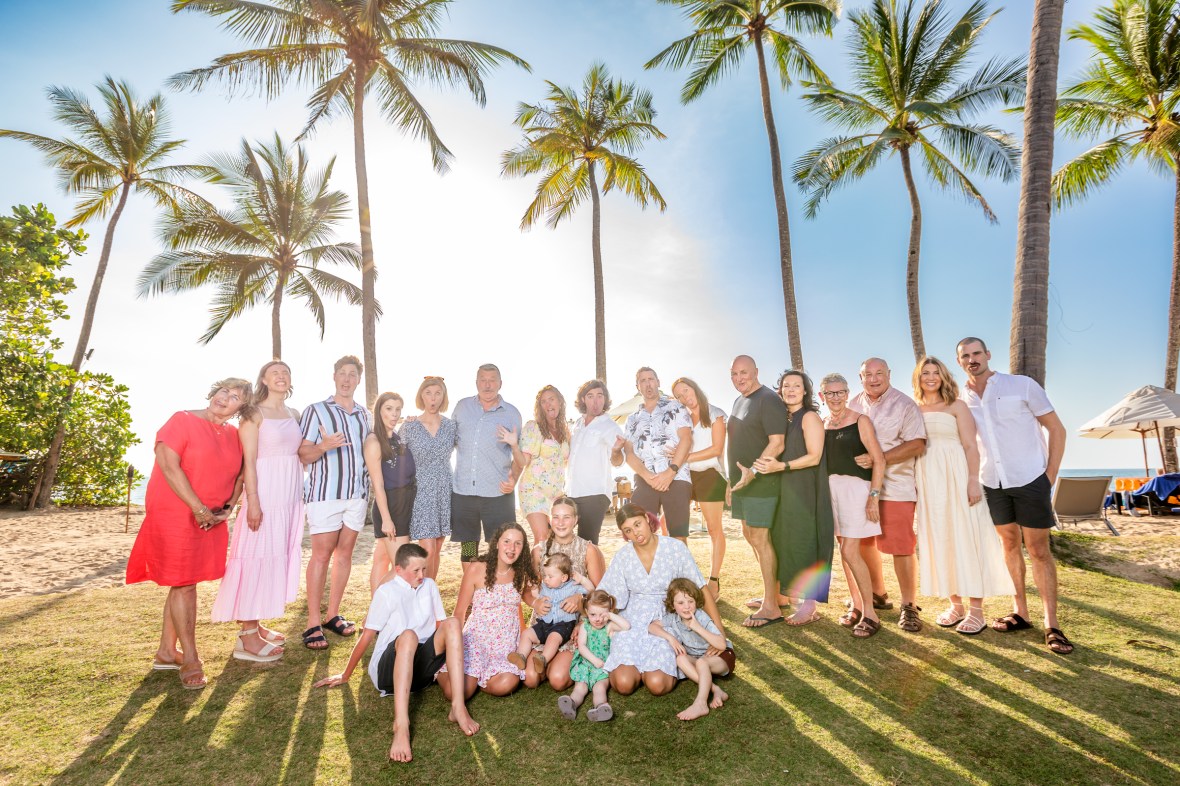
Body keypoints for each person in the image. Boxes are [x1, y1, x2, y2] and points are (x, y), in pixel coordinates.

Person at [126, 378, 251, 690]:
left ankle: (167, 652)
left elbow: (241, 474)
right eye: (224, 390)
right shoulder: (181, 420)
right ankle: (191, 658)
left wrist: (228, 507)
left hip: (209, 518)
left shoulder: (235, 435)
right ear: (214, 391)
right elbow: (169, 466)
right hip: (176, 513)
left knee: (185, 582)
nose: (226, 397)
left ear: (240, 409)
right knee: (183, 584)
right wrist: (198, 508)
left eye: (235, 397)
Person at [313, 543, 480, 764]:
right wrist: (345, 675)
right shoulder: (386, 592)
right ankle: (401, 726)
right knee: (408, 635)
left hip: (420, 671)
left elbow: (442, 627)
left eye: (424, 569)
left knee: (451, 623)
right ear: (399, 570)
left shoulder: (429, 586)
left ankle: (458, 707)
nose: (422, 575)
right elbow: (367, 637)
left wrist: (445, 665)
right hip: (389, 671)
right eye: (416, 571)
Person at [956, 337, 1071, 654]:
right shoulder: (961, 398)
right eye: (965, 356)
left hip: (1030, 478)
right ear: (959, 362)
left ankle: (1052, 625)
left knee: (1038, 550)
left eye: (977, 353)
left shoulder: (1021, 385)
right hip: (992, 482)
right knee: (1008, 544)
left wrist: (1049, 476)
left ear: (988, 355)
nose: (972, 359)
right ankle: (1021, 611)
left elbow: (1056, 429)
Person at [913, 357, 1015, 635]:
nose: (931, 377)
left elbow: (971, 446)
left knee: (967, 538)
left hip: (957, 477)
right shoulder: (914, 408)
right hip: (928, 480)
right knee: (941, 538)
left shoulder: (958, 406)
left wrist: (972, 481)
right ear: (918, 378)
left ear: (944, 376)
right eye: (925, 373)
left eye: (936, 372)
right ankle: (955, 605)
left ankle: (977, 611)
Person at [212, 361, 304, 661]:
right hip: (264, 495)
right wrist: (252, 501)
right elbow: (248, 462)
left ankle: (256, 625)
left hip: (288, 497)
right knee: (255, 556)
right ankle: (247, 638)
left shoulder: (294, 414)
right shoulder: (253, 414)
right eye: (275, 371)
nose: (281, 375)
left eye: (286, 371)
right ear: (264, 378)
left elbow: (299, 455)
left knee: (273, 555)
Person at [597, 504, 729, 697]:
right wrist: (585, 619)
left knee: (657, 684)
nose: (636, 533)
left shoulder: (675, 548)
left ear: (647, 519)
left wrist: (719, 631)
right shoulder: (623, 556)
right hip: (632, 621)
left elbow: (701, 587)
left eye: (638, 524)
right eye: (628, 530)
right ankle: (636, 669)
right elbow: (606, 594)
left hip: (666, 621)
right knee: (623, 684)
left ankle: (651, 670)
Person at [736, 370, 835, 625]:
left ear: (805, 391)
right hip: (784, 488)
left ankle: (810, 606)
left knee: (806, 542)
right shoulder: (784, 419)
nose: (790, 390)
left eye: (796, 386)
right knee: (783, 542)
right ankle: (780, 596)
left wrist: (782, 467)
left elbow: (814, 456)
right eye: (786, 385)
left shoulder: (809, 417)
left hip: (805, 488)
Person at [849, 357, 928, 633]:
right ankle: (878, 595)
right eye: (867, 374)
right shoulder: (852, 404)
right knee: (863, 544)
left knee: (901, 547)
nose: (873, 378)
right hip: (860, 487)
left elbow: (917, 443)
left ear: (889, 374)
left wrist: (878, 459)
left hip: (896, 487)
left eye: (879, 373)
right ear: (860, 378)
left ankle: (909, 605)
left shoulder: (905, 404)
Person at [298, 355, 371, 650]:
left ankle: (332, 615)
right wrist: (323, 446)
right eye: (342, 373)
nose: (347, 379)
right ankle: (312, 622)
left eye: (352, 374)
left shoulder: (364, 414)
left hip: (357, 495)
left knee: (344, 555)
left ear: (358, 379)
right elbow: (303, 455)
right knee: (321, 556)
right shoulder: (316, 411)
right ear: (334, 376)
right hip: (326, 495)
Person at [819, 373, 886, 639]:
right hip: (829, 491)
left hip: (856, 491)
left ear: (848, 393)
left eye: (840, 392)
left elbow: (879, 460)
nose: (836, 397)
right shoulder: (822, 424)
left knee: (850, 549)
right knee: (843, 549)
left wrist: (874, 496)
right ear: (823, 396)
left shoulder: (861, 421)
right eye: (830, 393)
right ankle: (856, 604)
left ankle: (871, 612)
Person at [442, 523, 539, 697]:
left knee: (506, 684)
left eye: (518, 543)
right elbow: (459, 612)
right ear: (496, 543)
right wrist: (453, 646)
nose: (512, 548)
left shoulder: (521, 570)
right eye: (507, 541)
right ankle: (444, 670)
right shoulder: (477, 568)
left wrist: (538, 604)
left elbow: (526, 597)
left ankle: (479, 676)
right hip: (478, 639)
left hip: (507, 642)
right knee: (458, 692)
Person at [726, 355, 789, 627]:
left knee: (761, 538)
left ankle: (772, 607)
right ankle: (772, 593)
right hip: (742, 483)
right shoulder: (739, 401)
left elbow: (777, 443)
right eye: (734, 374)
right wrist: (732, 481)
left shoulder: (769, 399)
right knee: (749, 534)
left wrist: (752, 471)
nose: (740, 378)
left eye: (744, 372)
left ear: (756, 372)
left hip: (761, 481)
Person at [525, 496, 607, 690]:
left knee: (558, 680)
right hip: (544, 623)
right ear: (550, 519)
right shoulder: (539, 550)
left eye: (566, 517)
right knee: (530, 679)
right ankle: (547, 659)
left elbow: (601, 595)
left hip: (572, 625)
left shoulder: (588, 549)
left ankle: (558, 662)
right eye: (556, 517)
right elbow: (527, 591)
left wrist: (581, 599)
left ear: (576, 520)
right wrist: (534, 603)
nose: (560, 522)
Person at [452, 364, 521, 565]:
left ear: (500, 383)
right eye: (483, 379)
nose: (487, 384)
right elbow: (445, 436)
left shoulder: (511, 413)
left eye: (492, 379)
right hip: (464, 492)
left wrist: (514, 479)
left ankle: (499, 592)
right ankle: (472, 590)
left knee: (501, 545)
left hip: (498, 494)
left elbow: (520, 454)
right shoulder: (462, 407)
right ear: (476, 383)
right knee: (468, 547)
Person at [620, 367, 693, 541]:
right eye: (642, 381)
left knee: (678, 537)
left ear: (658, 382)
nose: (647, 384)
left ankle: (679, 569)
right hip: (645, 480)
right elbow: (629, 453)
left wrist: (670, 472)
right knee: (640, 535)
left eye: (651, 379)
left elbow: (686, 439)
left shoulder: (676, 407)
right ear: (638, 387)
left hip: (677, 477)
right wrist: (649, 477)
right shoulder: (632, 419)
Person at [671, 377, 727, 600]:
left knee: (714, 529)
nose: (685, 397)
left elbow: (716, 449)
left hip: (709, 475)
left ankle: (713, 581)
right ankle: (685, 577)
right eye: (679, 396)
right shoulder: (681, 418)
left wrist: (684, 457)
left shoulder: (715, 413)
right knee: (672, 525)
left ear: (695, 388)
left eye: (686, 390)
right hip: (684, 475)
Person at [648, 578, 731, 721]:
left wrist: (697, 627)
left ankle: (700, 703)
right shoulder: (673, 618)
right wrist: (670, 638)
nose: (687, 607)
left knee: (701, 663)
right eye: (680, 603)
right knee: (680, 658)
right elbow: (652, 626)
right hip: (700, 660)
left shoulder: (700, 616)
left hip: (721, 657)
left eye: (690, 601)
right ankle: (715, 689)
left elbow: (722, 644)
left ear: (695, 602)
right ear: (673, 605)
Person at [400, 376, 457, 580]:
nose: (433, 398)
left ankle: (430, 591)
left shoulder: (451, 426)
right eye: (428, 393)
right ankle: (423, 592)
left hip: (445, 487)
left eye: (437, 393)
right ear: (421, 396)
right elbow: (395, 459)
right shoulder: (409, 426)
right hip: (421, 490)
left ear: (443, 397)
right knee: (428, 549)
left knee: (438, 546)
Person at [503, 385, 571, 544]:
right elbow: (523, 462)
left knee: (555, 541)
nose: (548, 404)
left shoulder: (565, 431)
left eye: (551, 399)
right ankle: (537, 569)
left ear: (560, 402)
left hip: (556, 495)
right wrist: (514, 446)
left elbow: (565, 464)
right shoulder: (534, 427)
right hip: (534, 491)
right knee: (542, 538)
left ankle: (541, 569)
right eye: (543, 402)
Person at [363, 392, 415, 593]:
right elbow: (378, 485)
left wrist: (411, 421)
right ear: (379, 411)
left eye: (398, 409)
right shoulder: (374, 441)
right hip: (390, 507)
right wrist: (386, 519)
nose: (394, 414)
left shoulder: (397, 436)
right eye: (389, 409)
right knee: (403, 568)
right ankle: (375, 614)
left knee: (382, 559)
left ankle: (375, 615)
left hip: (404, 503)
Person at [508, 552, 592, 674]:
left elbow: (591, 590)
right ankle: (521, 656)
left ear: (563, 577)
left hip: (563, 625)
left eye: (550, 576)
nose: (546, 579)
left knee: (553, 638)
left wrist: (583, 579)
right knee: (526, 634)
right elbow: (537, 596)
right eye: (545, 575)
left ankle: (543, 659)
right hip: (544, 623)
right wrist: (534, 588)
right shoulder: (545, 587)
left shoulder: (573, 586)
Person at [565, 379, 626, 544]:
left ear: (605, 399)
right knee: (568, 542)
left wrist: (616, 451)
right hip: (571, 493)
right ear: (583, 399)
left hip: (594, 494)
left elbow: (619, 461)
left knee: (587, 544)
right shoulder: (576, 425)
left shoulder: (610, 426)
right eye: (590, 396)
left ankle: (593, 571)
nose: (596, 401)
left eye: (600, 396)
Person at [560, 589, 630, 722]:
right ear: (586, 612)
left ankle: (601, 708)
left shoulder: (609, 627)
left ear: (608, 612)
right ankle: (572, 704)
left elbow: (626, 626)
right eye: (593, 614)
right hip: (586, 664)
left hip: (602, 667)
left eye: (602, 615)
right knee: (580, 687)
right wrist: (594, 660)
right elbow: (582, 647)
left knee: (600, 688)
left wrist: (610, 615)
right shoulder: (585, 627)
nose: (598, 619)